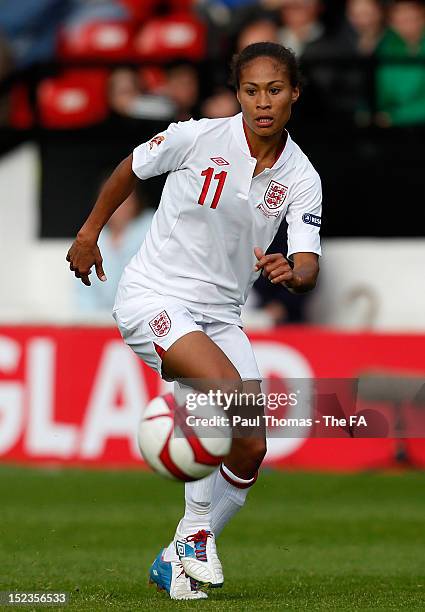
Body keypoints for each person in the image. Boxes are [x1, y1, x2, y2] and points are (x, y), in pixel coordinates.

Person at [66, 42, 322, 600]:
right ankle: (194, 543)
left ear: (294, 94)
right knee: (225, 393)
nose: (262, 102)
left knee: (251, 446)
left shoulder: (302, 176)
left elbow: (307, 264)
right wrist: (89, 233)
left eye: (274, 90)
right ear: (238, 93)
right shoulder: (197, 136)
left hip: (221, 313)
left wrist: (292, 271)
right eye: (251, 90)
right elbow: (131, 167)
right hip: (153, 295)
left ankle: (183, 548)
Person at [75, 187, 154, 315]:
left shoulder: (151, 226)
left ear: (135, 202)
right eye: (111, 200)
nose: (118, 207)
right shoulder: (90, 240)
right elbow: (84, 293)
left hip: (146, 315)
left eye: (123, 200)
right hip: (100, 323)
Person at [375, 0, 425, 126]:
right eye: (400, 21)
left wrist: (396, 116)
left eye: (412, 18)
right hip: (391, 128)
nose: (407, 25)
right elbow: (379, 89)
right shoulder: (387, 47)